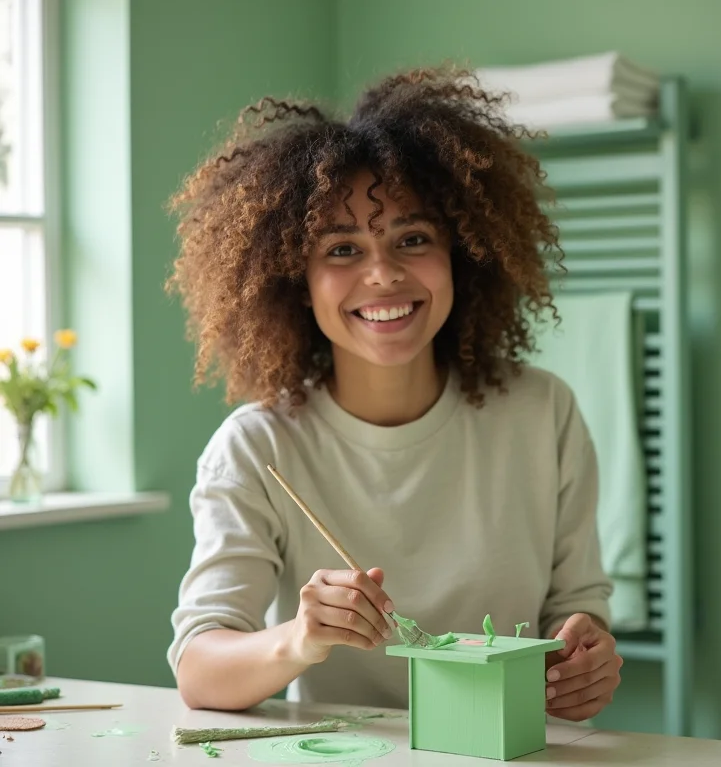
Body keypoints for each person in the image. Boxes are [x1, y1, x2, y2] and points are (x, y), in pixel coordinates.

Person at [165, 64, 623, 722]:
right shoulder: (257, 445)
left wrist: (585, 655)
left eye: (413, 239)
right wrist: (301, 638)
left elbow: (576, 608)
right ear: (296, 280)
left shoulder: (543, 413)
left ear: (463, 254)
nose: (383, 274)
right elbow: (200, 668)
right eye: (343, 249)